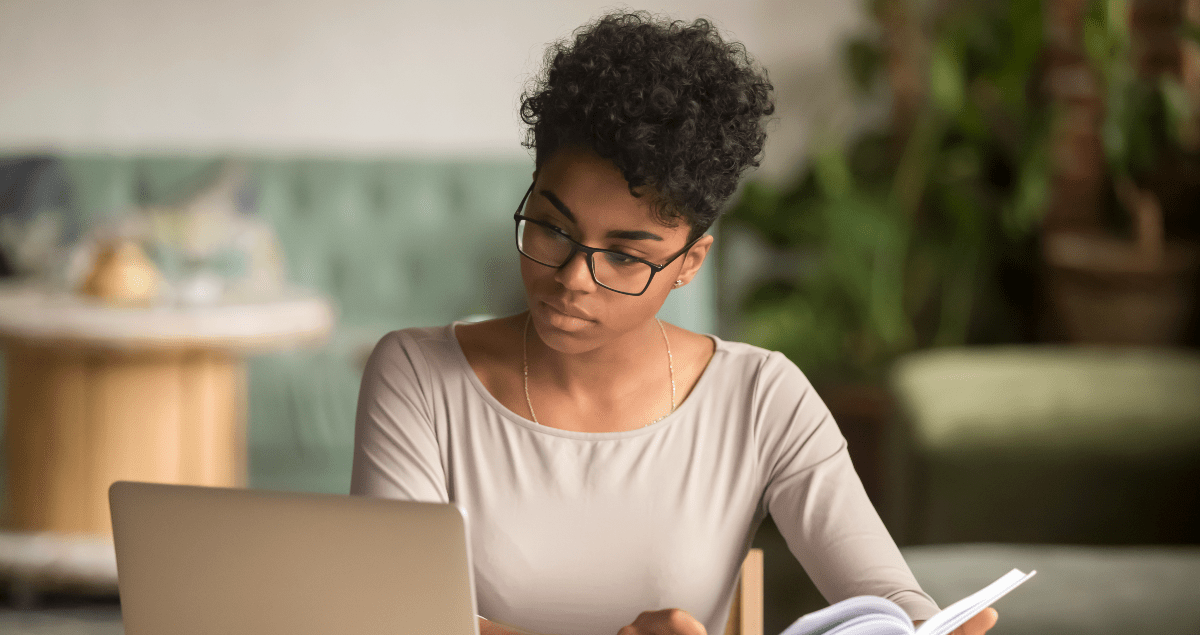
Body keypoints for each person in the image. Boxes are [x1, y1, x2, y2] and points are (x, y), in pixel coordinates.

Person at [351, 11, 998, 635]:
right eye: (552, 227)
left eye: (626, 255)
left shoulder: (761, 397)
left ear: (690, 262)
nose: (573, 277)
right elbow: (389, 615)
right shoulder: (418, 377)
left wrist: (926, 625)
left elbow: (884, 595)